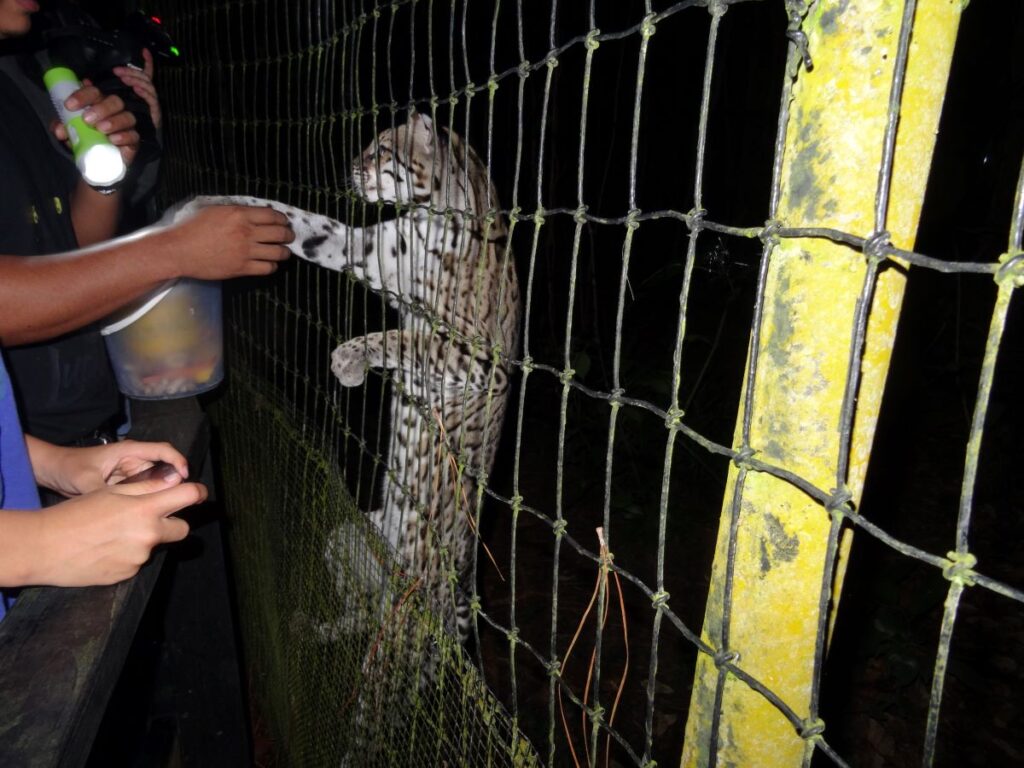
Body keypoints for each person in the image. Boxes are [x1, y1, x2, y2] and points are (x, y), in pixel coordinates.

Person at [0, 0, 293, 611]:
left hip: (63, 445)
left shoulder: (19, 76)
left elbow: (72, 253)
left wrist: (107, 174)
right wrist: (173, 251)